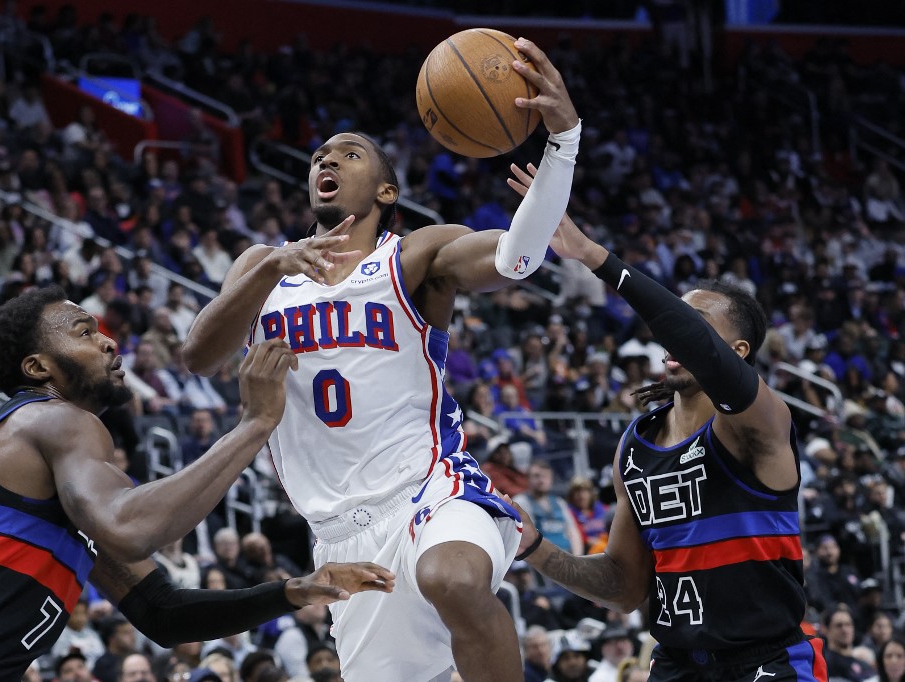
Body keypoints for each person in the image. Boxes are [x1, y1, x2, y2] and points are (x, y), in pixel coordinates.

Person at [181, 36, 581, 682]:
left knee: (451, 576)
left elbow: (517, 259)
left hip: (430, 489)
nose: (326, 159)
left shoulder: (414, 256)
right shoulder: (263, 268)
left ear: (387, 191)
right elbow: (199, 355)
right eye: (319, 155)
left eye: (349, 152)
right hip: (339, 534)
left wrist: (563, 141)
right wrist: (270, 269)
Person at [0, 285, 394, 681]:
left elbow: (162, 613)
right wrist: (254, 424)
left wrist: (295, 590)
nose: (108, 339)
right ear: (38, 367)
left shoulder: (60, 488)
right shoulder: (52, 419)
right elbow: (131, 528)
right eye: (83, 332)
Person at [502, 198, 828, 681]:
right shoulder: (635, 447)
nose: (673, 333)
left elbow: (689, 337)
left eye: (692, 323)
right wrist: (537, 550)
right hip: (674, 665)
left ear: (737, 351)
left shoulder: (759, 422)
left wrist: (596, 258)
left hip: (766, 664)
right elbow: (625, 585)